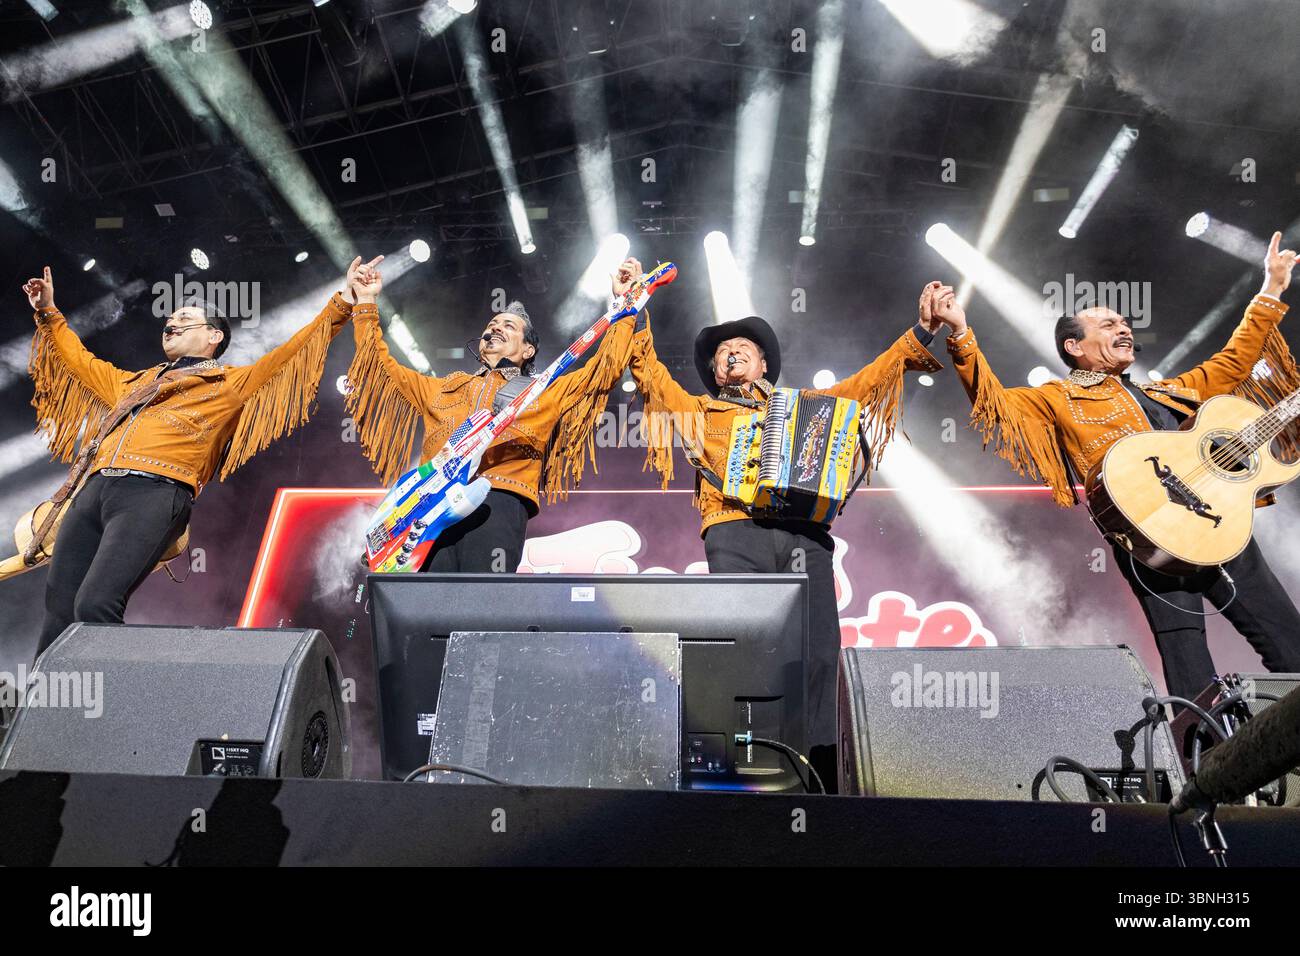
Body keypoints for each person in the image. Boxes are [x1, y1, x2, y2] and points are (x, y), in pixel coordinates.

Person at [924, 231, 1300, 699]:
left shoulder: (1168, 391)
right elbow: (993, 403)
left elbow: (1234, 361)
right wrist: (960, 334)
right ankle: (1209, 766)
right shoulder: (1056, 400)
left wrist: (1271, 289)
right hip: (1149, 539)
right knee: (1190, 673)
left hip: (1221, 526)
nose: (1124, 328)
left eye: (1124, 322)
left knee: (1291, 645)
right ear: (1074, 347)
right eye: (1107, 324)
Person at [623, 254, 944, 786]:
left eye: (741, 350)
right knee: (745, 645)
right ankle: (745, 765)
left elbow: (869, 381)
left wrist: (921, 334)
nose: (729, 356)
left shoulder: (806, 405)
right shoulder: (699, 412)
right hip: (732, 530)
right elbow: (650, 375)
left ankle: (819, 770)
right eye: (722, 353)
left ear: (763, 364)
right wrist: (636, 307)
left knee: (819, 651)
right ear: (712, 371)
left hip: (805, 534)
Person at [24, 257, 377, 656]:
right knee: (58, 609)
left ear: (213, 336)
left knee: (94, 604)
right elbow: (80, 362)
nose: (170, 324)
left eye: (184, 317)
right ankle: (44, 709)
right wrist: (48, 312)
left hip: (153, 494)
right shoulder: (133, 384)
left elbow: (297, 350)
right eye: (168, 319)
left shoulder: (229, 383)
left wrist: (345, 299)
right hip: (94, 488)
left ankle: (107, 712)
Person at [343, 259, 638, 572]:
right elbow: (379, 368)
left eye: (509, 326)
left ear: (528, 351)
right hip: (429, 512)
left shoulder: (544, 391)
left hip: (497, 502)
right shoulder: (445, 387)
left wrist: (625, 306)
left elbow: (605, 368)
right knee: (426, 610)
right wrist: (365, 301)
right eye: (492, 325)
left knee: (482, 607)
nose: (496, 327)